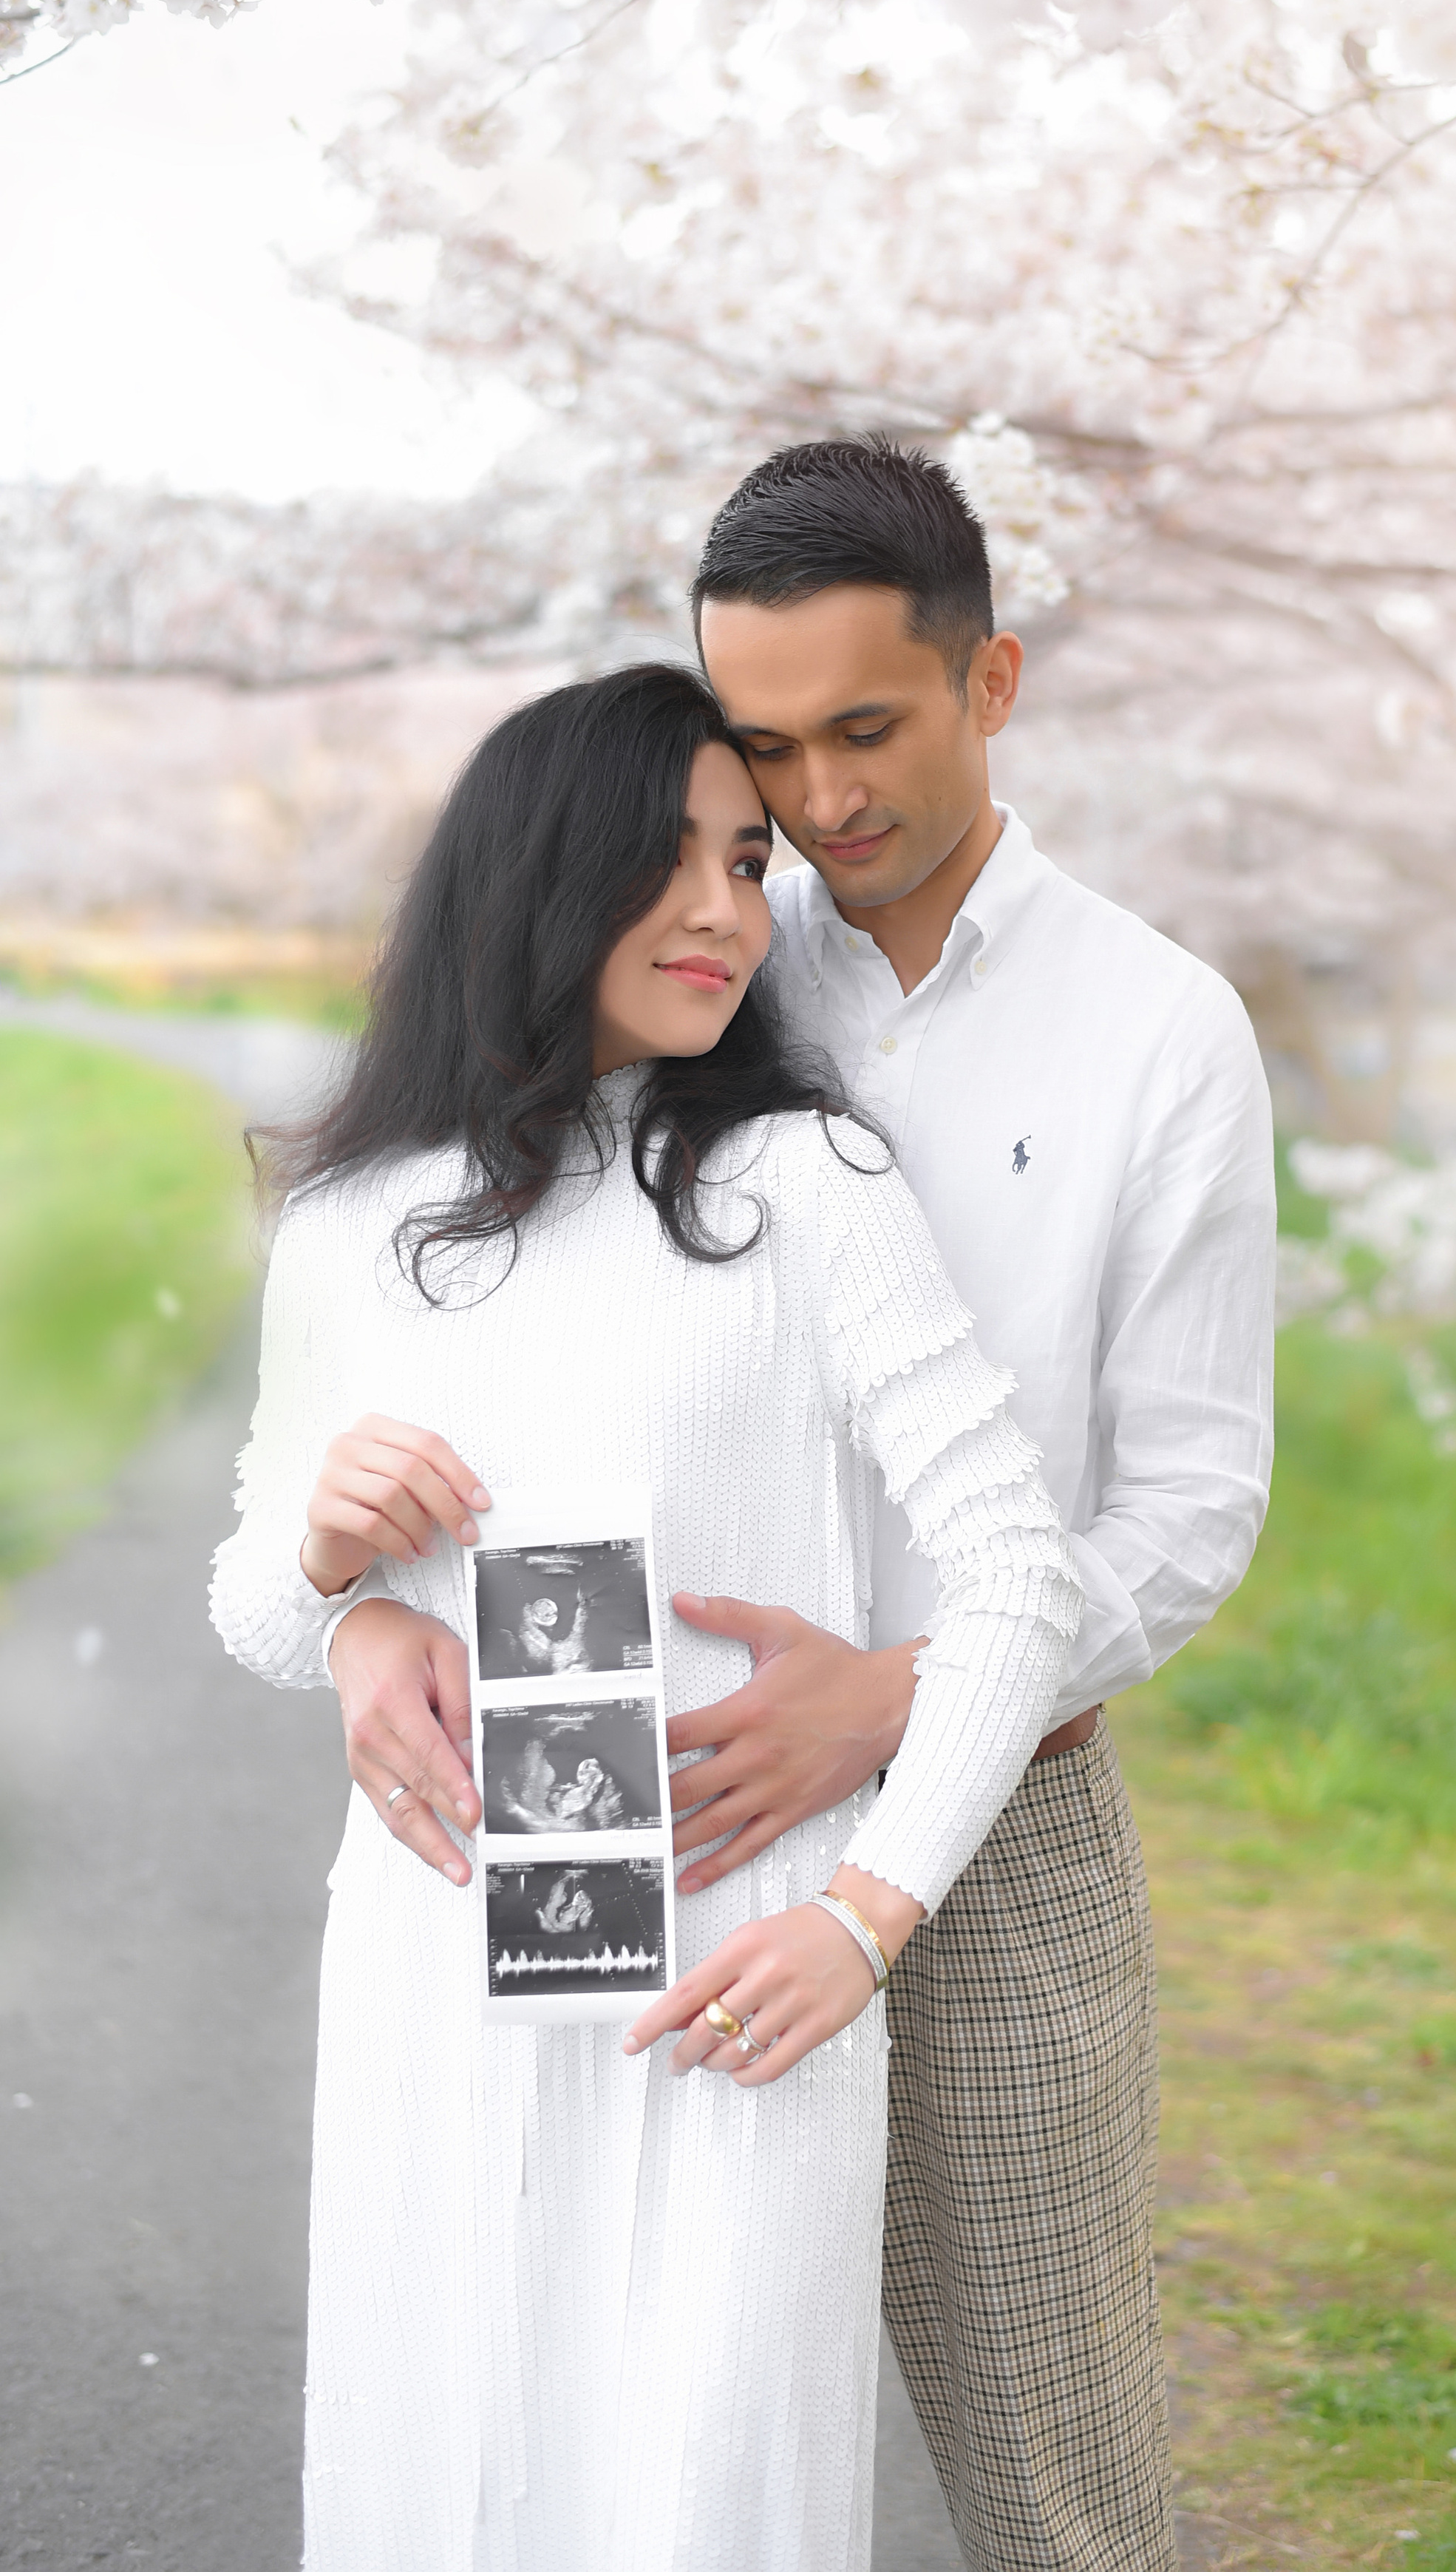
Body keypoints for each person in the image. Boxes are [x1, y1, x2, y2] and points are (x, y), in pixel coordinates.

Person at [208, 663, 1081, 2572]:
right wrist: (336, 1587)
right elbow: (254, 1592)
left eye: (748, 861)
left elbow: (1024, 1574)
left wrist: (867, 1919)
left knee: (709, 2505)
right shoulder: (359, 1223)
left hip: (739, 1976)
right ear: (537, 875)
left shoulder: (800, 1184)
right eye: (667, 859)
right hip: (444, 1971)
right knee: (451, 2486)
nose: (724, 909)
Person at [670, 438, 1277, 2572]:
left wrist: (907, 1696)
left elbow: (1190, 1501)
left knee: (1055, 2482)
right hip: (697, 1821)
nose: (820, 798)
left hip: (1009, 1833)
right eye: (767, 747)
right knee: (680, 2448)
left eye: (868, 726)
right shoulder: (698, 973)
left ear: (988, 680)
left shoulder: (1161, 1030)